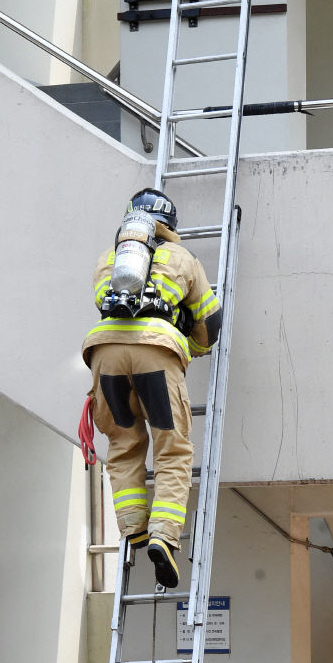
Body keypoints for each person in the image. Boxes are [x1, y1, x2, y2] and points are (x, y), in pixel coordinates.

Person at [82, 188, 221, 590]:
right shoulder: (183, 259)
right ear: (169, 225)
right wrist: (187, 351)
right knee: (172, 450)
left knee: (123, 446)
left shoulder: (106, 262)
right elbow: (209, 325)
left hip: (104, 355)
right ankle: (163, 536)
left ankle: (133, 529)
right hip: (155, 356)